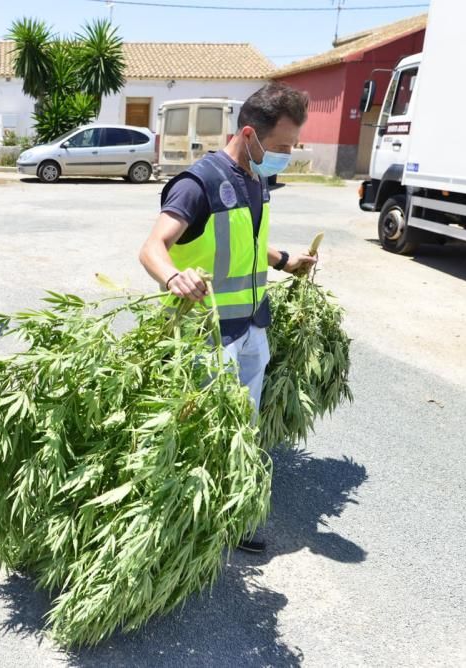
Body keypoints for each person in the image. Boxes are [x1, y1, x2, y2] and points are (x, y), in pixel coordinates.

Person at [138, 82, 317, 552]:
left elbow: (247, 245)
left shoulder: (257, 180)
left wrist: (283, 260)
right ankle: (195, 524)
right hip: (209, 334)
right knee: (206, 430)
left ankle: (235, 515)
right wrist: (173, 278)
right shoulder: (198, 184)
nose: (286, 155)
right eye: (280, 147)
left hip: (253, 324)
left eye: (292, 147)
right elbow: (152, 247)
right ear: (249, 133)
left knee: (245, 427)